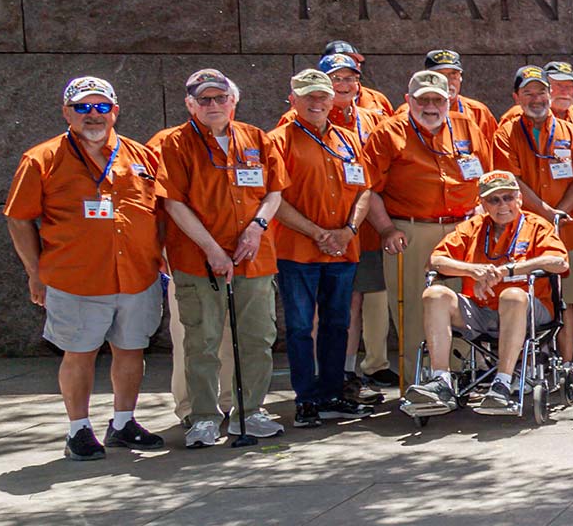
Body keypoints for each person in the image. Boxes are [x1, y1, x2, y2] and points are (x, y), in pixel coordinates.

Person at [7, 77, 169, 460]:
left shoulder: (142, 156)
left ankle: (124, 422)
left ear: (114, 111)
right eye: (82, 107)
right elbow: (18, 219)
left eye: (100, 107)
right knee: (79, 353)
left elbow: (162, 213)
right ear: (67, 113)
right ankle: (78, 429)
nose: (92, 115)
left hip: (137, 276)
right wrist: (35, 272)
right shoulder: (41, 159)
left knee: (131, 350)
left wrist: (159, 254)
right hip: (75, 279)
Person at [150, 69, 287, 446]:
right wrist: (212, 249)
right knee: (202, 341)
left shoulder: (256, 138)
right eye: (204, 100)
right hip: (198, 262)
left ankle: (251, 411)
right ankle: (204, 416)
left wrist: (257, 227)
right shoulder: (174, 143)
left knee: (258, 338)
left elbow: (274, 192)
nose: (213, 105)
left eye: (220, 98)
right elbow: (173, 202)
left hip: (253, 258)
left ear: (234, 100)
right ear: (190, 104)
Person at [363, 70, 499, 390]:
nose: (430, 106)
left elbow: (487, 179)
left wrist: (481, 218)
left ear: (449, 101)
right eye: (422, 99)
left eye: (437, 99)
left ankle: (464, 374)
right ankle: (420, 381)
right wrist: (384, 229)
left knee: (466, 302)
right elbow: (368, 190)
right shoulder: (388, 133)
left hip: (464, 232)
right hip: (410, 232)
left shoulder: (468, 127)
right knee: (414, 307)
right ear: (408, 100)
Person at [267, 70, 377, 428]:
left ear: (333, 100)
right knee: (300, 327)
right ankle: (306, 399)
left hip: (343, 251)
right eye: (308, 97)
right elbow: (273, 199)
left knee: (337, 324)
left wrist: (348, 231)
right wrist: (317, 232)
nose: (316, 103)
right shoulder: (278, 140)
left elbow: (364, 190)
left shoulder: (347, 139)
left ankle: (331, 394)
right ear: (292, 100)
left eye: (322, 97)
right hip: (298, 251)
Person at [408, 171, 570, 416]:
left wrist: (509, 270)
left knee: (512, 295)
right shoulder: (472, 227)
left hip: (528, 309)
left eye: (508, 197)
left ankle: (503, 382)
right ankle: (440, 380)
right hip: (481, 307)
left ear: (519, 199)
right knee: (434, 294)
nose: (502, 205)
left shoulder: (537, 226)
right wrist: (473, 271)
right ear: (482, 204)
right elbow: (436, 260)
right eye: (494, 200)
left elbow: (559, 263)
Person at [490, 66, 573, 366]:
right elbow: (510, 179)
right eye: (528, 93)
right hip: (520, 233)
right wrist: (544, 212)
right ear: (516, 97)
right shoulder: (506, 132)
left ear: (550, 94)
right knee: (522, 294)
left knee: (569, 297)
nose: (536, 99)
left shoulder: (569, 131)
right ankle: (527, 359)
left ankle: (567, 364)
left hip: (567, 228)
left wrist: (561, 211)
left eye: (541, 92)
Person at [321, 53, 395, 398]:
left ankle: (358, 370)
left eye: (350, 79)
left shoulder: (372, 117)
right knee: (341, 306)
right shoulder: (304, 118)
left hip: (367, 229)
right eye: (337, 79)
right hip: (326, 230)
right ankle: (338, 374)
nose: (344, 86)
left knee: (366, 300)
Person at [417, 50, 499, 134]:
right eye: (441, 76)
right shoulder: (410, 113)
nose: (448, 82)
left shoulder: (478, 112)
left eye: (453, 74)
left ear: (460, 77)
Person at [323, 40, 393, 113]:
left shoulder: (378, 99)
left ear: (359, 67)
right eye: (336, 78)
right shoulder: (316, 105)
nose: (343, 83)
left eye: (352, 63)